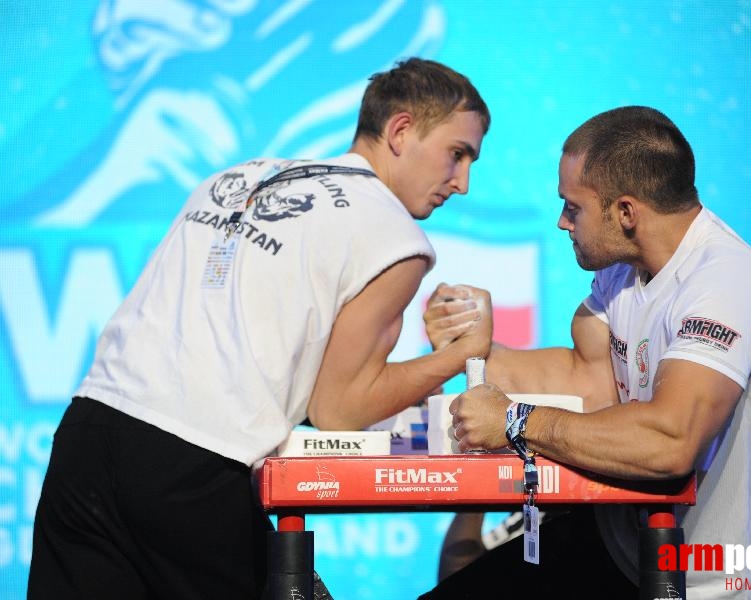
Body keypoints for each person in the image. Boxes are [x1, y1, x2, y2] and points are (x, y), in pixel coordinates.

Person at [28, 57, 494, 600]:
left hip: (87, 436)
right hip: (190, 466)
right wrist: (463, 353)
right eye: (457, 154)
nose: (461, 182)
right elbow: (339, 409)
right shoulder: (394, 235)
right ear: (401, 130)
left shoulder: (237, 176)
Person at [420, 105, 751, 599]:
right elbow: (586, 378)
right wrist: (469, 347)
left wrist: (515, 420)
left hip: (713, 587)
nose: (562, 222)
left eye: (573, 207)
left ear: (625, 212)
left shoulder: (727, 282)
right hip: (620, 555)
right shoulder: (621, 269)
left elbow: (670, 443)